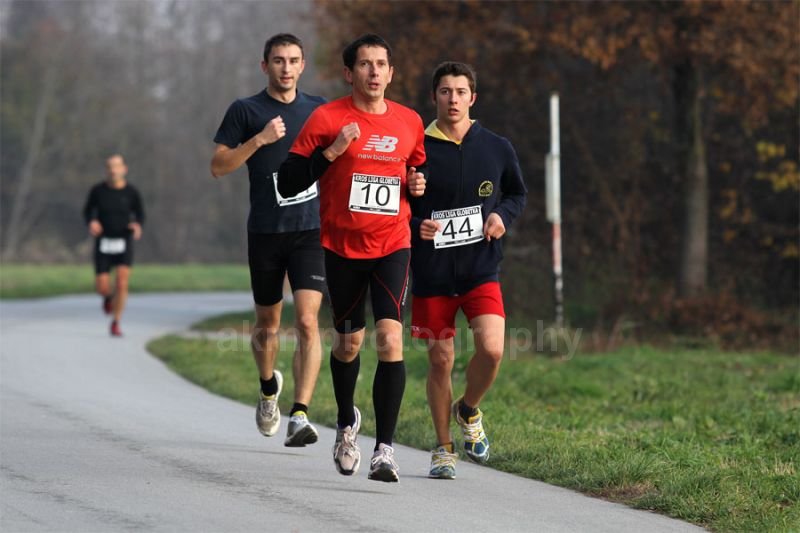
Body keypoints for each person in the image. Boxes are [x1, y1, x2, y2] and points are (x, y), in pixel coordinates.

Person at [278, 34, 427, 482]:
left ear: (391, 73)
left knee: (390, 338)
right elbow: (287, 181)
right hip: (341, 248)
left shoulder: (410, 121)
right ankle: (346, 424)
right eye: (365, 64)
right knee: (348, 345)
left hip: (393, 244)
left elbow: (418, 172)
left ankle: (385, 450)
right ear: (349, 73)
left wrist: (418, 186)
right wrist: (331, 152)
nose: (374, 72)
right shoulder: (327, 118)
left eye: (381, 64)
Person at [409, 62, 527, 479]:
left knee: (492, 350)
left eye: (461, 92)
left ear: (473, 98)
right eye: (445, 91)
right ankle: (443, 449)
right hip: (433, 273)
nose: (453, 99)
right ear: (434, 97)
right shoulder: (416, 147)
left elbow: (516, 194)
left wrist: (501, 217)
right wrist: (416, 224)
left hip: (481, 268)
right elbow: (397, 203)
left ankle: (469, 409)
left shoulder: (496, 146)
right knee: (440, 361)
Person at [210, 33, 326, 447]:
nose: (286, 68)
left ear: (303, 65)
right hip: (265, 231)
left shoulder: (318, 110)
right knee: (267, 325)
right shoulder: (245, 110)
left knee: (308, 321)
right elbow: (218, 166)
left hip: (310, 229)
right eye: (278, 60)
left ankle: (300, 413)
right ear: (265, 66)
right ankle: (267, 388)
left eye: (293, 60)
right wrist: (259, 139)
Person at [82, 154, 145, 337]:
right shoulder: (97, 191)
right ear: (106, 170)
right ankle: (108, 297)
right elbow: (88, 211)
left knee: (122, 282)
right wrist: (92, 221)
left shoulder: (131, 192)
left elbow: (140, 214)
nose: (113, 170)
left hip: (124, 240)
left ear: (124, 169)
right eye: (109, 167)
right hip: (104, 242)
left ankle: (116, 322)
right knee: (102, 286)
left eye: (116, 166)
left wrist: (137, 225)